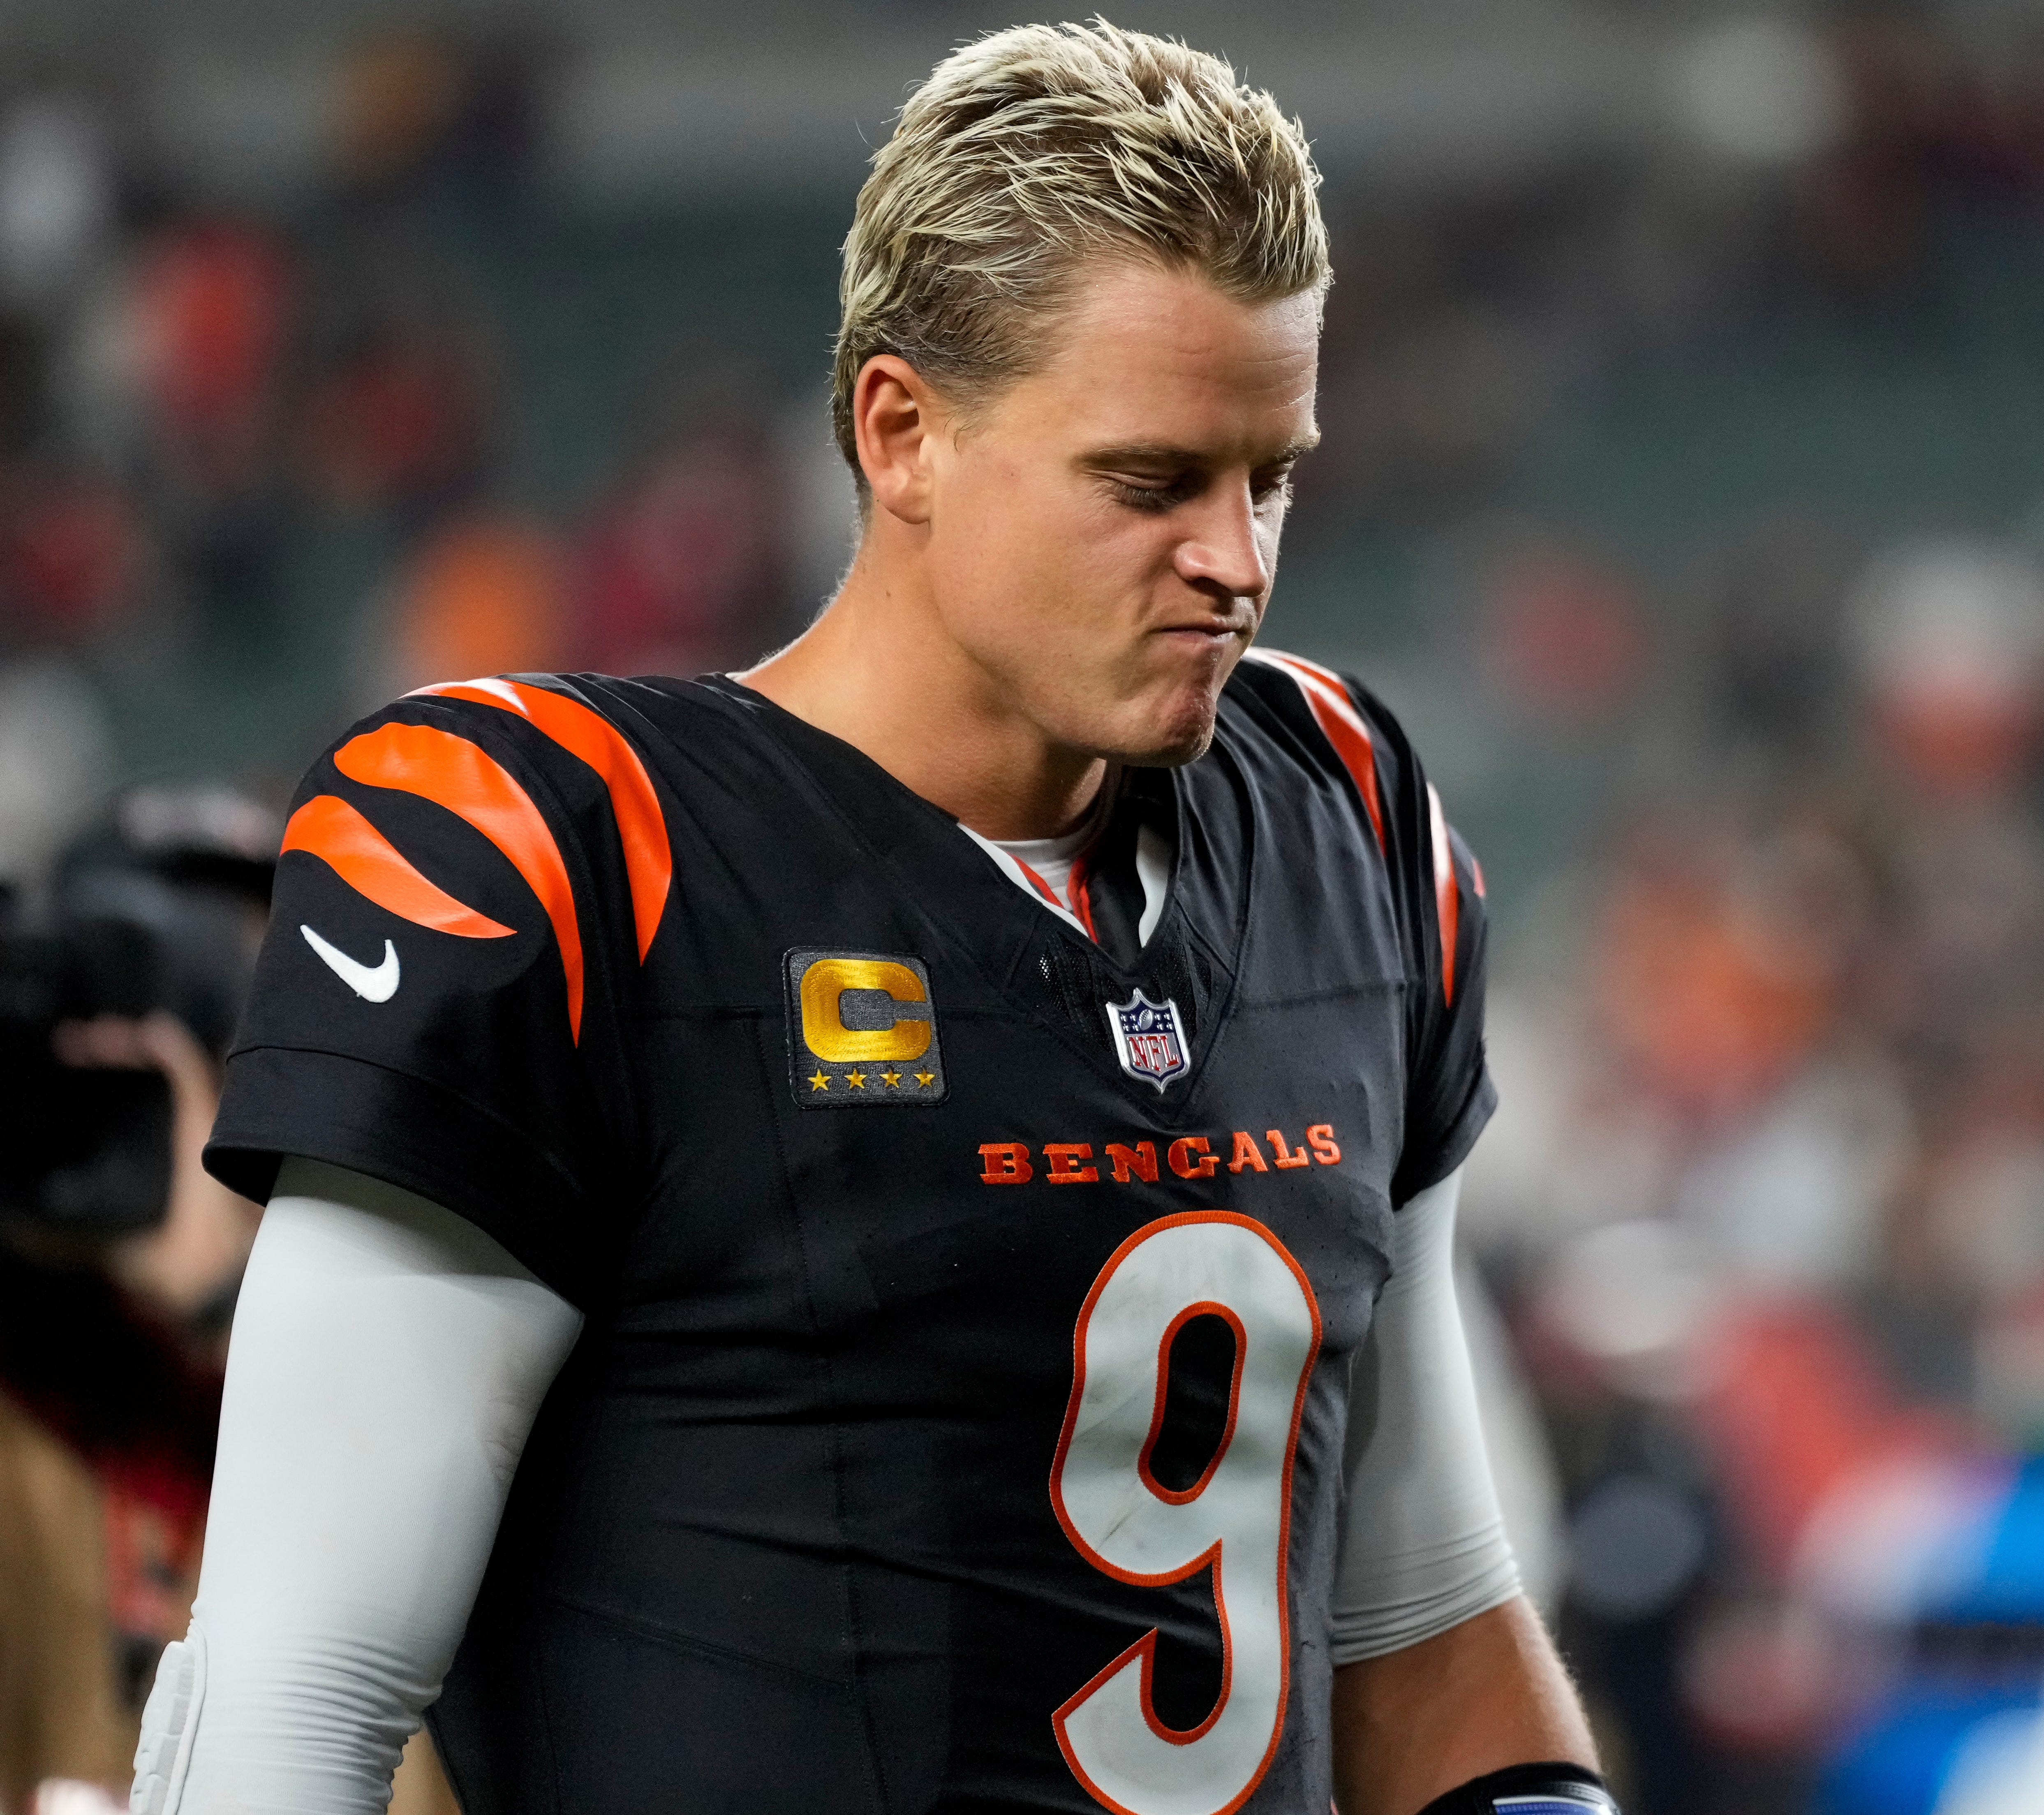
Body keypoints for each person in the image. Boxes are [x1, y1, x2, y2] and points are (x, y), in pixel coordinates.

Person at [132, 23, 1606, 1815]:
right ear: (900, 432)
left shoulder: (1340, 814)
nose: (1233, 558)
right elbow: (292, 1702)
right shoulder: (575, 859)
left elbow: (1425, 1622)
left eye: (1268, 475)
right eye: (1147, 483)